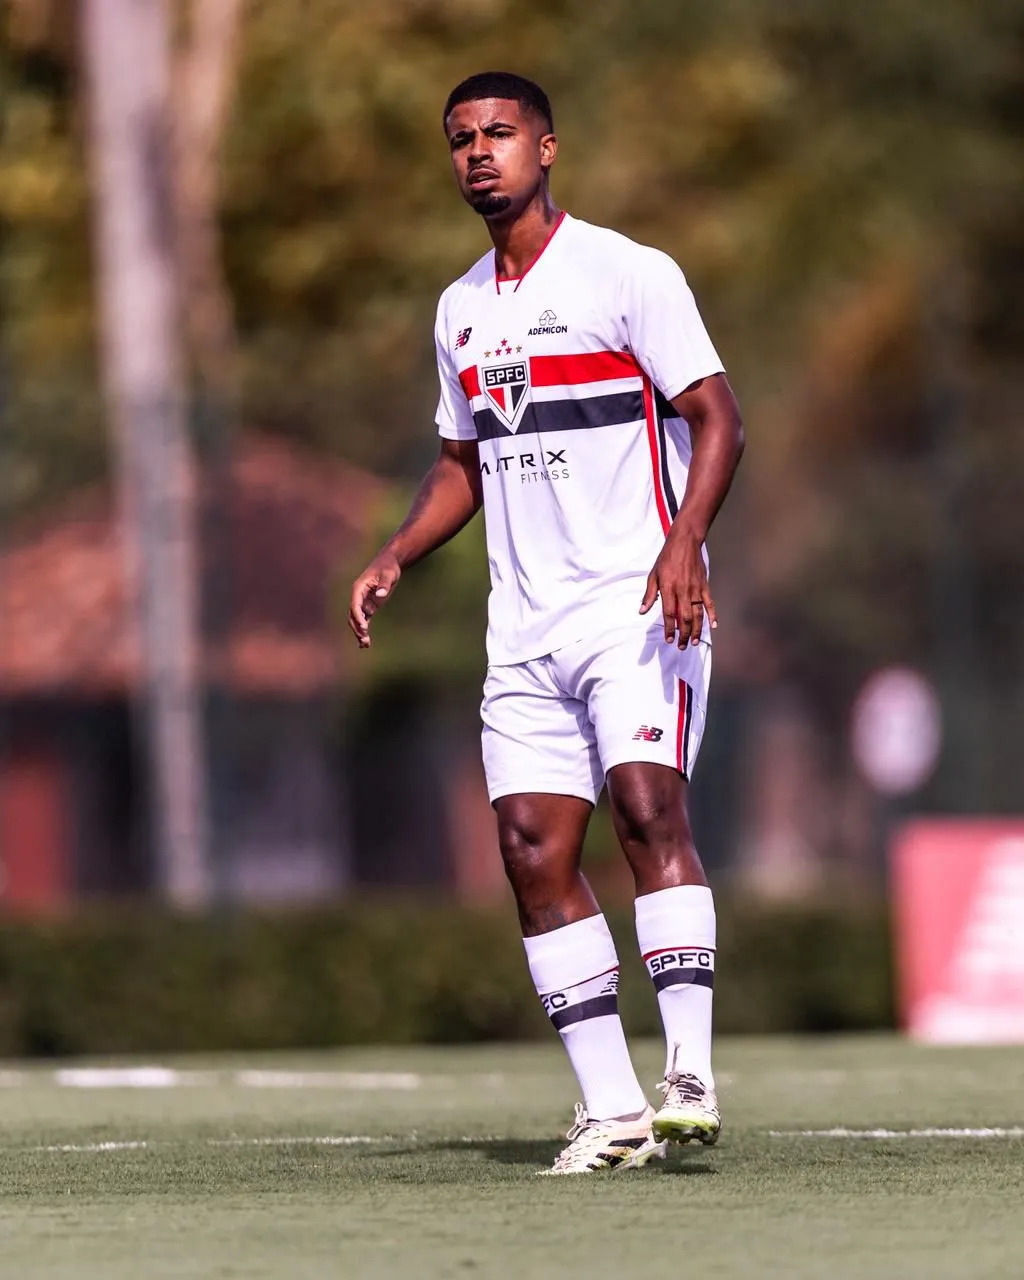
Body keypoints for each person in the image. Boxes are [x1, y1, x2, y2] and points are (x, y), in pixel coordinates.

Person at [349, 71, 744, 1175]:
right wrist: (394, 549)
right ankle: (612, 1109)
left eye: (499, 134)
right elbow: (458, 464)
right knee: (531, 851)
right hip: (521, 627)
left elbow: (719, 417)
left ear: (548, 147)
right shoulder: (458, 306)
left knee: (644, 804)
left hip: (637, 601)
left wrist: (683, 542)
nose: (479, 152)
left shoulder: (628, 272)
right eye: (461, 139)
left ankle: (689, 1074)